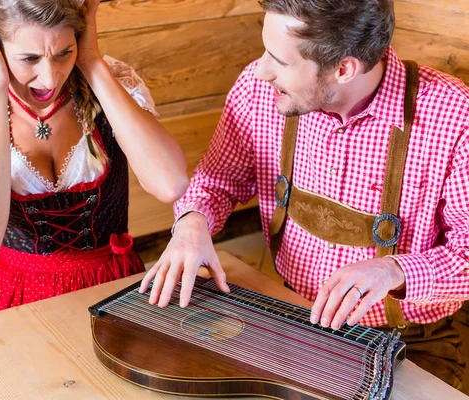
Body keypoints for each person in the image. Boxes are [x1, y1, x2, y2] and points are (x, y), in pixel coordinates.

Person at [140, 0, 469, 389]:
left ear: (343, 69)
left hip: (412, 341)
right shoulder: (258, 90)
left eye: (279, 60)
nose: (261, 71)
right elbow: (218, 179)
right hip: (290, 312)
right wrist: (192, 221)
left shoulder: (454, 116)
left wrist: (394, 270)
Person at [0, 0, 188, 326]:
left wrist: (92, 64)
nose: (50, 78)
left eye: (64, 53)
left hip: (111, 288)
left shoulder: (111, 83)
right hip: (17, 298)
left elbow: (171, 184)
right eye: (29, 59)